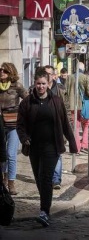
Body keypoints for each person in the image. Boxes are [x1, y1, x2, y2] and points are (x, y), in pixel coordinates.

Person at [16, 69, 77, 227]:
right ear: (34, 84)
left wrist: (72, 141)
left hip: (52, 145)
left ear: (48, 84)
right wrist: (24, 138)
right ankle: (45, 205)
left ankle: (44, 211)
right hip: (34, 147)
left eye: (43, 83)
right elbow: (20, 125)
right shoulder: (27, 102)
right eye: (38, 84)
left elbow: (65, 123)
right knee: (38, 178)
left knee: (46, 178)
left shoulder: (56, 101)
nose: (41, 86)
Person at [0, 62, 28, 195]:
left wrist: (22, 115)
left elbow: (27, 101)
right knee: (2, 155)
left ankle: (11, 182)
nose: (2, 73)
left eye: (5, 71)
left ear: (11, 72)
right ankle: (3, 180)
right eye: (1, 70)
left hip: (13, 125)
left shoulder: (17, 86)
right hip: (0, 125)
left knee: (11, 155)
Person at [44, 66, 67, 190]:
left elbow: (66, 108)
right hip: (43, 128)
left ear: (54, 76)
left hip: (57, 126)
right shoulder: (38, 89)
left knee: (58, 153)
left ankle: (56, 179)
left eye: (49, 74)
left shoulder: (61, 89)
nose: (47, 76)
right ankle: (46, 177)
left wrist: (66, 126)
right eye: (45, 73)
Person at [65, 62, 89, 154]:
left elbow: (66, 91)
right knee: (87, 124)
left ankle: (76, 147)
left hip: (72, 106)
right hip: (83, 106)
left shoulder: (69, 77)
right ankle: (84, 145)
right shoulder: (86, 78)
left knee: (75, 127)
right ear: (83, 68)